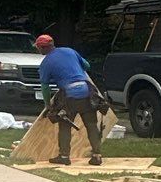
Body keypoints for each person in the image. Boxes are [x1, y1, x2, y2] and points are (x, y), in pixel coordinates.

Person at [35, 34, 109, 165]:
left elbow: (45, 87)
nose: (38, 50)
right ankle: (97, 156)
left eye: (38, 48)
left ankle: (64, 157)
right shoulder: (69, 51)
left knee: (65, 125)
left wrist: (48, 105)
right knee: (91, 125)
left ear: (43, 48)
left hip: (69, 96)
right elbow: (87, 66)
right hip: (87, 91)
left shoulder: (46, 63)